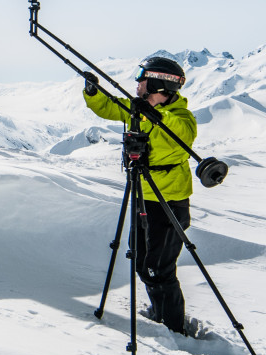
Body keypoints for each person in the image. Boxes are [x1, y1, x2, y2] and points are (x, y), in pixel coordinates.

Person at [82, 55, 196, 336]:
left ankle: (174, 327)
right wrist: (93, 93)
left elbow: (178, 136)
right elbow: (110, 107)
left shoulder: (182, 118)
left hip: (168, 201)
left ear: (159, 83)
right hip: (143, 195)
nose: (136, 85)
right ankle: (159, 315)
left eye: (142, 79)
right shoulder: (139, 109)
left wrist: (153, 114)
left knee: (159, 268)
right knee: (143, 262)